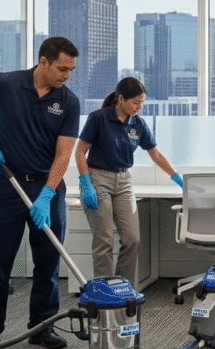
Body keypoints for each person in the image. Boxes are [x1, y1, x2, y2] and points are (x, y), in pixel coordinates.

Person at [0, 36, 81, 349]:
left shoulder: (68, 101)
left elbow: (63, 155)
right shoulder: (6, 84)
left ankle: (42, 327)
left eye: (71, 70)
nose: (66, 75)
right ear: (43, 61)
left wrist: (47, 194)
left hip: (46, 188)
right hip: (7, 186)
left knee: (48, 262)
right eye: (62, 69)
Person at [75, 77, 183, 282]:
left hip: (124, 181)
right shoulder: (99, 118)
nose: (139, 107)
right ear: (121, 99)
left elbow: (156, 154)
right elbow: (80, 152)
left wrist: (177, 178)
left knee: (132, 239)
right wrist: (85, 182)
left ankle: (123, 287)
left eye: (142, 102)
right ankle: (105, 293)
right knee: (104, 240)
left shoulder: (138, 124)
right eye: (136, 102)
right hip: (98, 179)